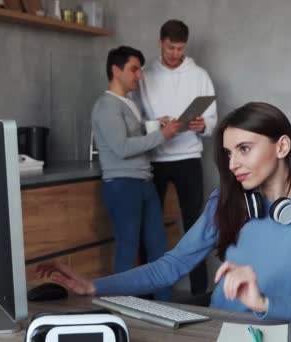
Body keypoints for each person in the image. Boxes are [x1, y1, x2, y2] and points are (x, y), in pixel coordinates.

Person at [38, 102, 291, 323]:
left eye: (244, 149)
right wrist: (95, 286)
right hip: (217, 329)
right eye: (229, 153)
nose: (232, 164)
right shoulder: (226, 200)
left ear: (282, 147)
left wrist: (263, 303)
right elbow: (170, 267)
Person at [134, 19, 218, 295]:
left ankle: (199, 290)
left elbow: (213, 121)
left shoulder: (200, 76)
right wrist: (154, 124)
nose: (175, 54)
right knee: (149, 225)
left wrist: (201, 125)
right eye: (171, 48)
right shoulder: (144, 75)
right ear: (160, 43)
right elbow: (134, 119)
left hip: (188, 158)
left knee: (195, 224)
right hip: (154, 159)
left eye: (180, 49)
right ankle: (148, 288)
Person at [90, 46, 181, 301]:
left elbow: (131, 134)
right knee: (127, 249)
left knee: (159, 249)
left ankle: (166, 306)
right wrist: (161, 135)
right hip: (122, 185)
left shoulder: (128, 103)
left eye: (140, 69)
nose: (139, 75)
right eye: (134, 69)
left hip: (143, 182)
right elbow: (120, 147)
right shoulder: (106, 105)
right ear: (115, 70)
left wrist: (151, 126)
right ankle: (124, 309)